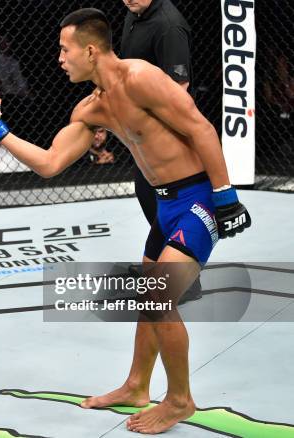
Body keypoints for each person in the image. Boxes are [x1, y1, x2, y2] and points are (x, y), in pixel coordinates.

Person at [0, 8, 250, 434]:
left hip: (198, 198)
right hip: (164, 204)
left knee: (158, 298)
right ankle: (137, 385)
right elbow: (50, 163)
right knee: (149, 291)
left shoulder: (142, 78)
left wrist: (225, 197)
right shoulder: (91, 108)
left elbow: (201, 128)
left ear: (90, 49)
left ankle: (179, 399)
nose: (59, 58)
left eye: (65, 50)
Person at [120, 0, 201, 303]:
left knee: (163, 197)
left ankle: (185, 277)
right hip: (142, 125)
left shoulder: (169, 26)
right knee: (147, 194)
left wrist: (153, 128)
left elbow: (179, 86)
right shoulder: (135, 14)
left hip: (165, 128)